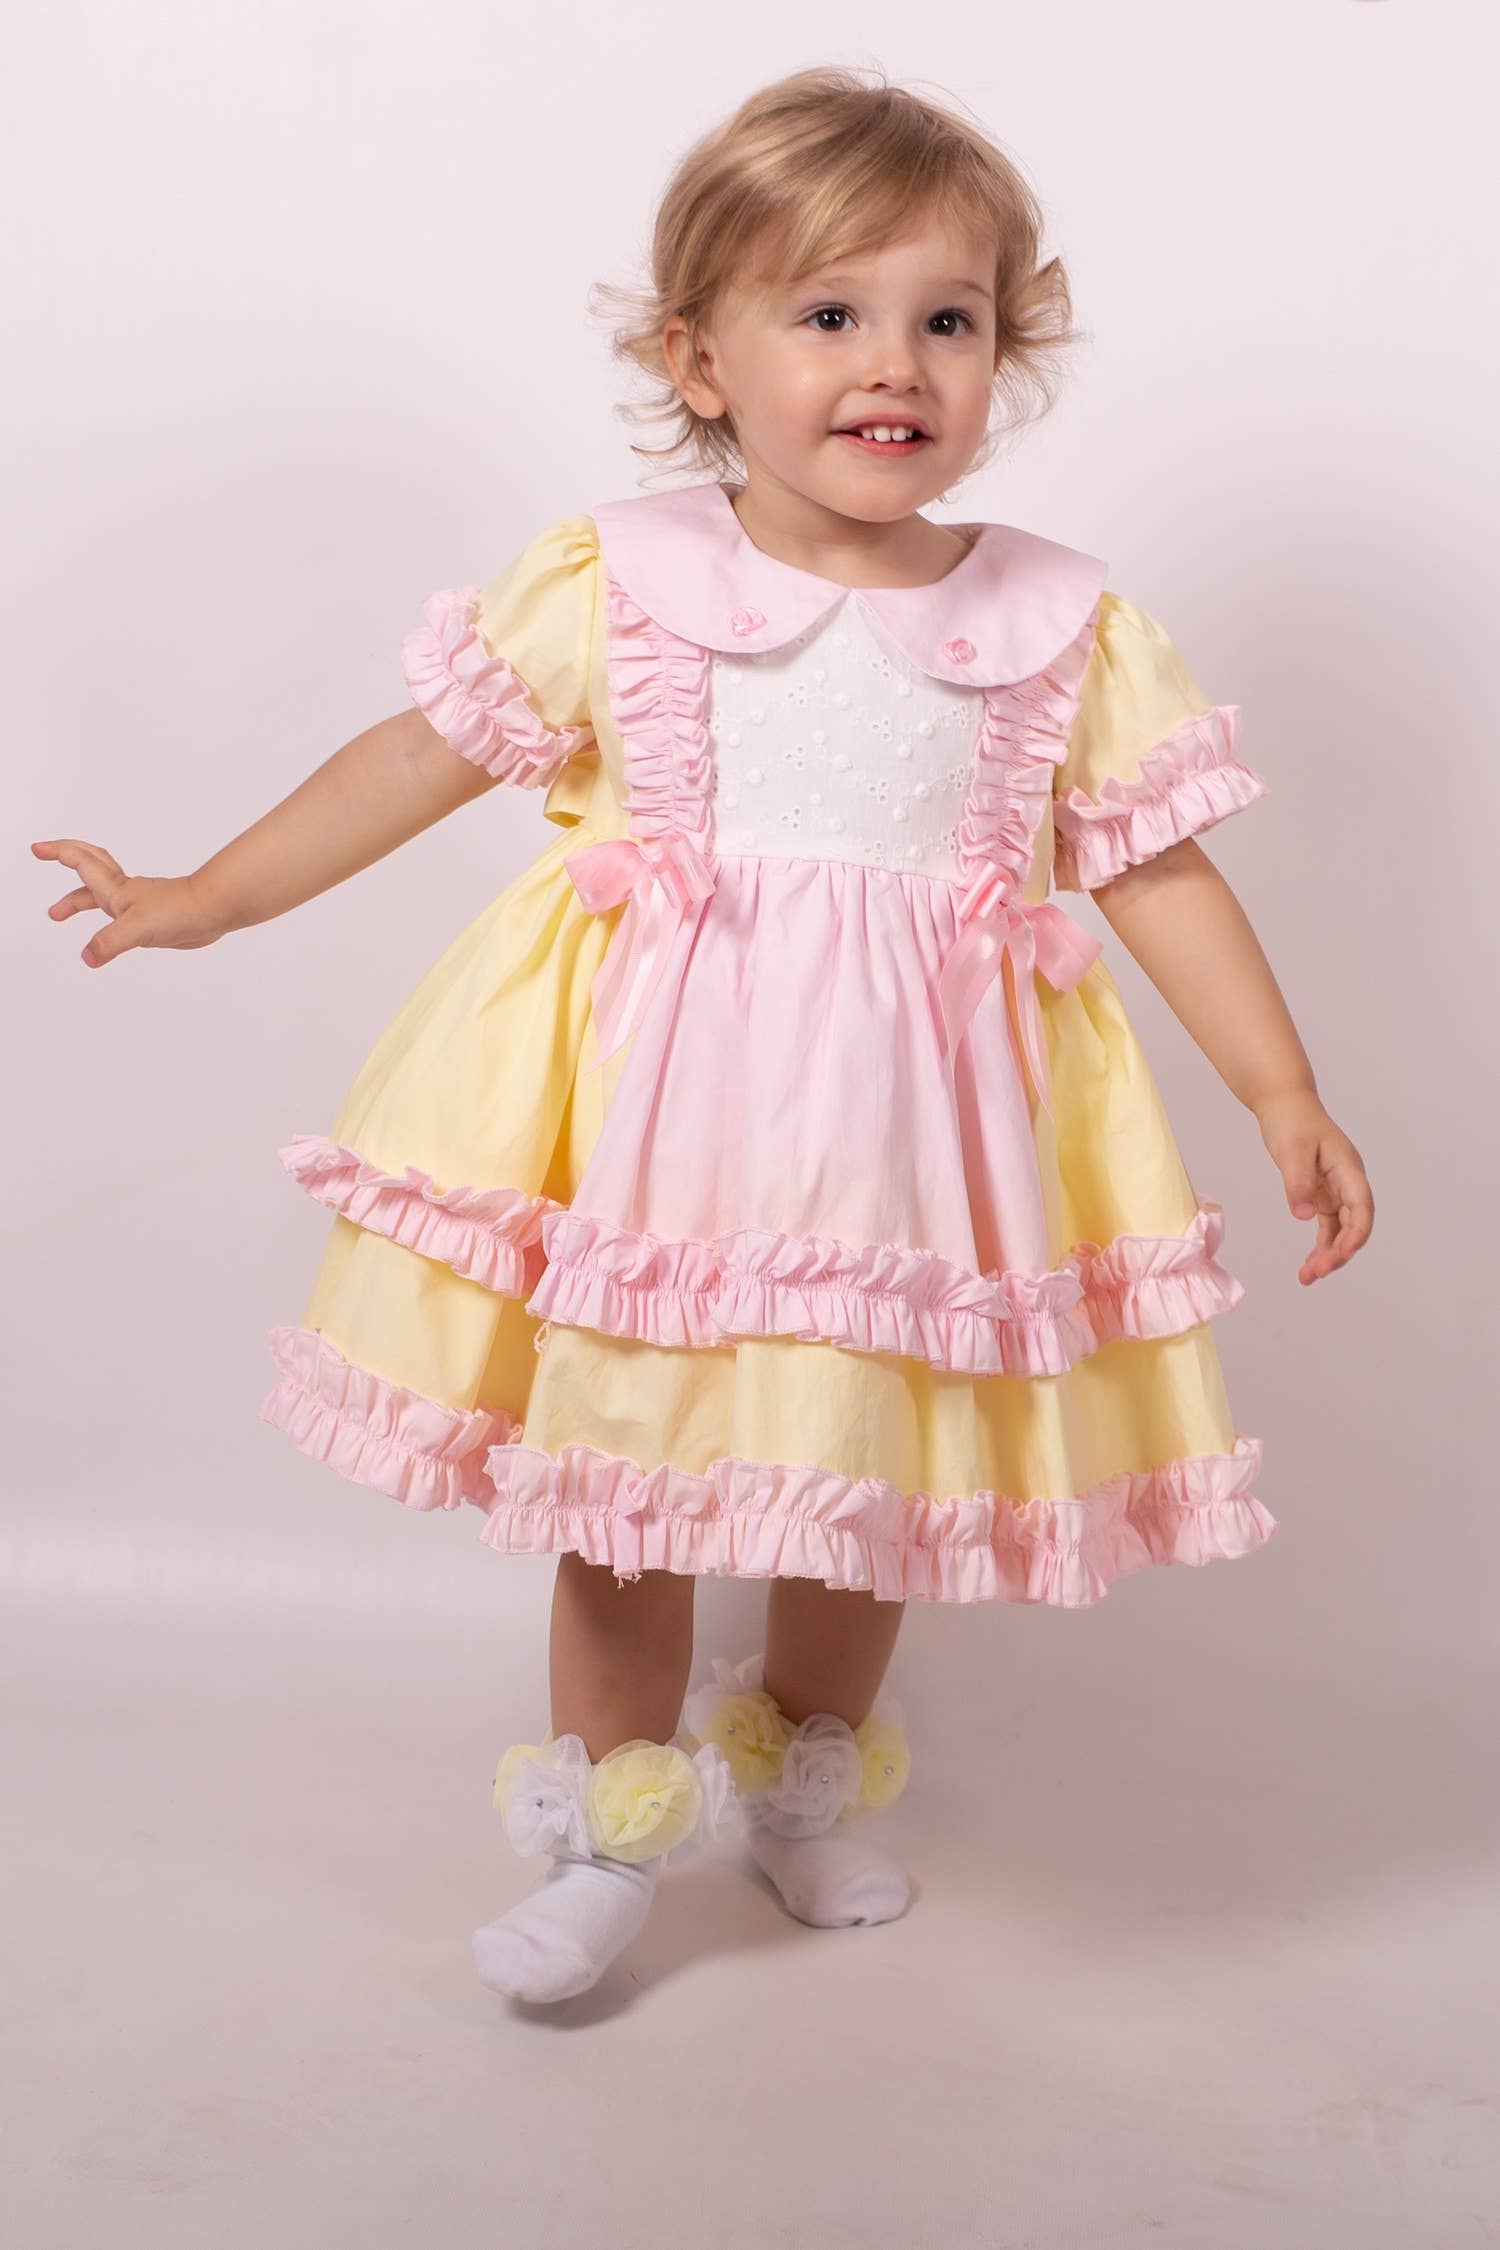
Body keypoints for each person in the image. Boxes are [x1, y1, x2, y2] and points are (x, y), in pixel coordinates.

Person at [30, 65, 1374, 2010]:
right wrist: (205, 894)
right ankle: (607, 1830)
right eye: (827, 314)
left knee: (863, 1496)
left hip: (914, 1151)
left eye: (949, 318)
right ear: (702, 357)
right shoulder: (630, 580)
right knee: (626, 1501)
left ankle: (794, 1788)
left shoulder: (1055, 622)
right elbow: (418, 755)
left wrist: (1283, 1090)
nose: (890, 361)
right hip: (670, 1136)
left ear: (1010, 346)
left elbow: (1158, 871)